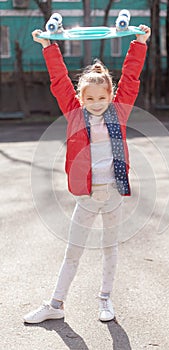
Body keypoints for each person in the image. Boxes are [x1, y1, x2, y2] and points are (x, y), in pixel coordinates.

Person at [24, 23, 151, 324]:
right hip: (87, 198)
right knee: (73, 252)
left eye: (101, 98)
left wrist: (140, 43)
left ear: (110, 96)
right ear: (81, 99)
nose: (96, 104)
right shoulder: (73, 112)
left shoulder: (118, 111)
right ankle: (56, 304)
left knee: (110, 250)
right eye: (90, 99)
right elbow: (59, 80)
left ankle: (105, 300)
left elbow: (131, 79)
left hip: (114, 197)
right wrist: (48, 46)